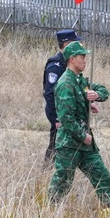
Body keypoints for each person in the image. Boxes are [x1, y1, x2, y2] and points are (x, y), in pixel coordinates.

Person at [47, 40, 110, 207]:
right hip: (70, 143)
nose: (85, 61)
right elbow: (66, 118)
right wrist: (82, 136)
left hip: (85, 144)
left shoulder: (80, 81)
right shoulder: (65, 83)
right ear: (72, 59)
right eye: (82, 57)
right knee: (63, 181)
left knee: (101, 175)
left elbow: (104, 91)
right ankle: (51, 211)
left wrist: (94, 96)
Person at [43, 28, 80, 163]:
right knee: (56, 143)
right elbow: (49, 94)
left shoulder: (70, 62)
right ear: (66, 45)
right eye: (75, 43)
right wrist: (57, 118)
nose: (78, 46)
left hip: (67, 109)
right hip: (57, 112)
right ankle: (48, 169)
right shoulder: (55, 66)